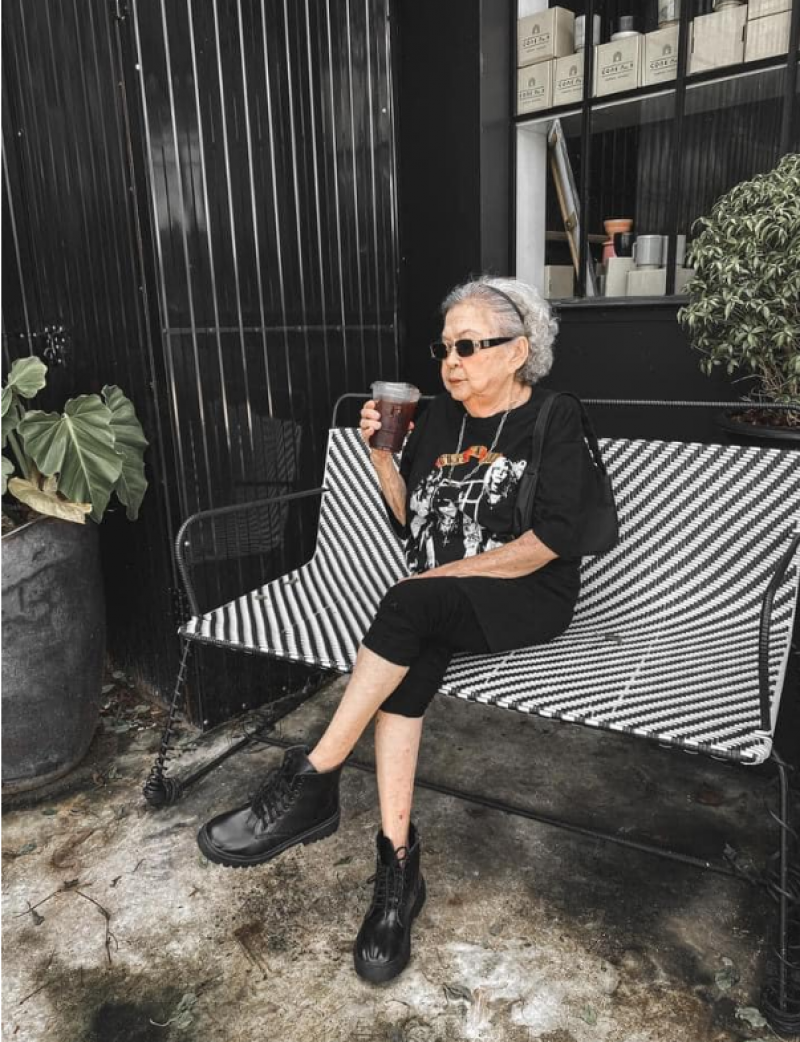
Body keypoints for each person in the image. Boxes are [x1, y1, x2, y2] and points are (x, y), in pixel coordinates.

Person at [196, 275, 588, 984]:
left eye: (468, 346)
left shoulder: (554, 416)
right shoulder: (438, 418)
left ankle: (313, 778)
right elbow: (415, 520)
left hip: (526, 593)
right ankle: (397, 870)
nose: (451, 362)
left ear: (518, 350)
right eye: (445, 348)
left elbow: (554, 539)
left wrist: (438, 579)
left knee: (409, 606)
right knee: (408, 660)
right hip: (435, 601)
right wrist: (382, 456)